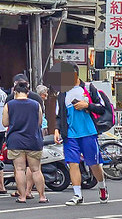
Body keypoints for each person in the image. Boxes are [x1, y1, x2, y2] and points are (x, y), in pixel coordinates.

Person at [53, 65, 107, 206]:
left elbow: (103, 108)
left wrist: (87, 105)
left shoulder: (88, 88)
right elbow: (59, 116)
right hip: (70, 134)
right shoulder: (62, 93)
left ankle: (102, 187)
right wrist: (57, 129)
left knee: (93, 163)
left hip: (88, 132)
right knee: (73, 163)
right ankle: (77, 194)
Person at [3, 80, 47, 204]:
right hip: (33, 140)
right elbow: (39, 122)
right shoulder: (35, 104)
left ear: (15, 92)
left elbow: (5, 123)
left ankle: (22, 196)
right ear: (27, 92)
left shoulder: (9, 105)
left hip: (16, 141)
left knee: (20, 169)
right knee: (36, 169)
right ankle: (42, 196)